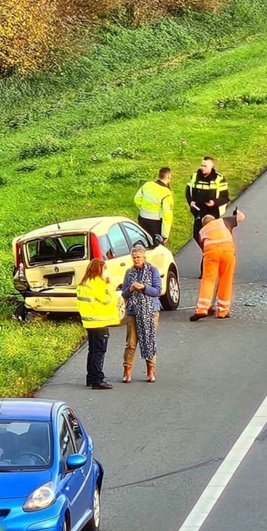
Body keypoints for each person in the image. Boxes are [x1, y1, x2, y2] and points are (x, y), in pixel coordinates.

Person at [191, 207, 244, 322]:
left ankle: (202, 309)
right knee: (226, 280)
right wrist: (236, 213)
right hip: (228, 252)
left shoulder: (202, 231)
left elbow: (203, 246)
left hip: (211, 253)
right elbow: (241, 217)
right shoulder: (223, 221)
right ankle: (223, 311)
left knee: (208, 280)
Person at [121, 244, 163, 382]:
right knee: (131, 342)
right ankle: (127, 371)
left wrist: (144, 287)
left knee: (149, 340)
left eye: (138, 257)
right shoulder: (129, 272)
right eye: (134, 257)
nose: (136, 260)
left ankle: (150, 370)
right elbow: (124, 293)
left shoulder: (152, 270)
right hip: (133, 310)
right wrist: (131, 288)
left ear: (144, 257)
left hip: (150, 310)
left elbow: (157, 291)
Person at [76, 259, 117, 390]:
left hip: (89, 321)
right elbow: (108, 299)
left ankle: (91, 378)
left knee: (93, 351)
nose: (106, 272)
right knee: (99, 351)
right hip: (99, 322)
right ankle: (97, 380)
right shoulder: (98, 284)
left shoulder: (85, 283)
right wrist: (111, 287)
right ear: (100, 270)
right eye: (105, 269)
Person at [185, 157, 229, 249]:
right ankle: (207, 251)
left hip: (212, 211)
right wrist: (191, 202)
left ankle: (212, 251)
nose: (202, 168)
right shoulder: (195, 177)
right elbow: (188, 192)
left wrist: (214, 202)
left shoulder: (219, 179)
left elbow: (225, 198)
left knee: (210, 234)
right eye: (202, 165)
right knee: (197, 235)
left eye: (205, 166)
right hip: (198, 210)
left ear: (212, 167)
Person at [134, 167, 174, 244]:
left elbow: (137, 199)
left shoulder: (147, 185)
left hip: (142, 218)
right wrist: (165, 235)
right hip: (155, 223)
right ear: (169, 176)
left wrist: (143, 209)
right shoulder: (167, 193)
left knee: (143, 242)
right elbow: (167, 216)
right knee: (156, 246)